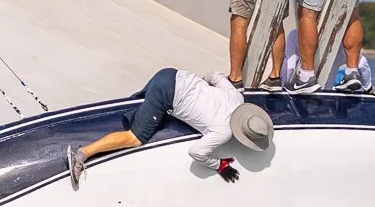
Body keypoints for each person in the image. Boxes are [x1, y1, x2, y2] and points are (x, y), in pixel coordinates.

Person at [68, 67, 274, 189]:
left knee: (136, 106)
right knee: (136, 138)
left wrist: (201, 91)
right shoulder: (224, 131)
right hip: (167, 94)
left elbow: (214, 74)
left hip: (173, 74)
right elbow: (196, 153)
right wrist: (218, 165)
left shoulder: (236, 97)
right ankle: (82, 155)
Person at [278, 28, 372, 92]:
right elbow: (362, 62)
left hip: (301, 92)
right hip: (327, 94)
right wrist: (368, 88)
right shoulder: (337, 42)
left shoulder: (295, 34)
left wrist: (283, 88)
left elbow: (289, 71)